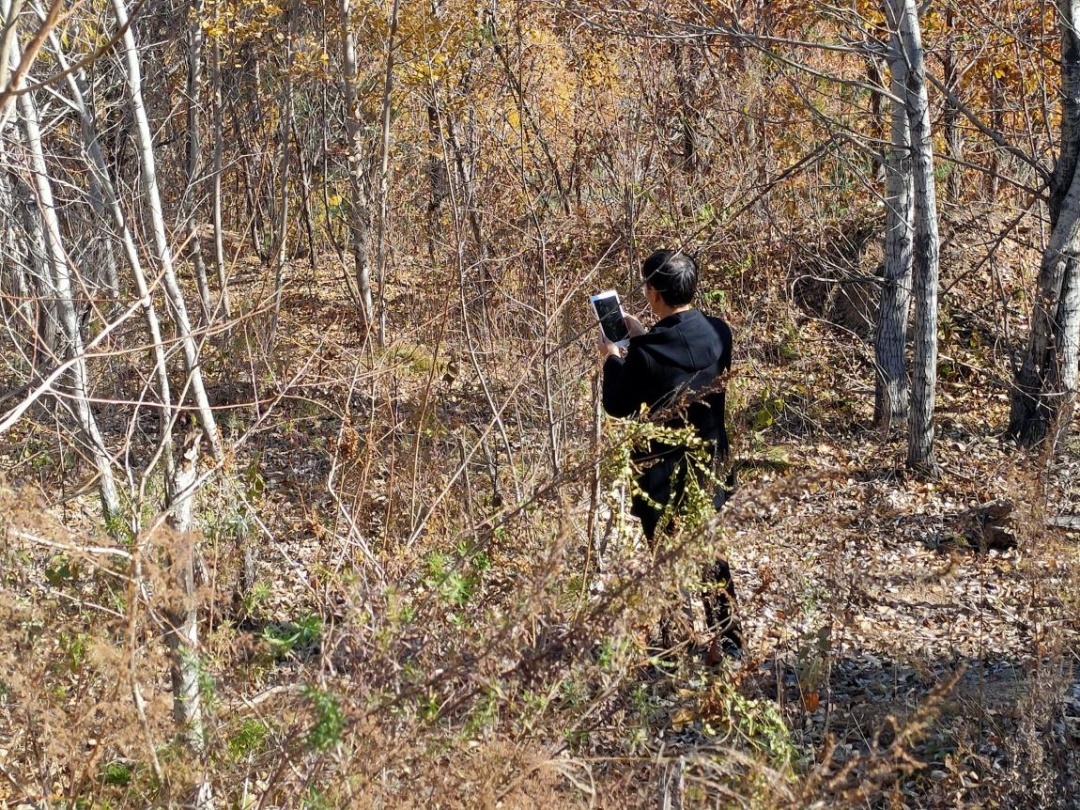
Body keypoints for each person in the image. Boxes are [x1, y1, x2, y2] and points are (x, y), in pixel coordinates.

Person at [598, 249, 742, 662]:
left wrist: (612, 358)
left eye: (647, 286)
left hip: (662, 471)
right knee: (711, 556)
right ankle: (728, 642)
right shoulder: (720, 333)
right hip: (710, 463)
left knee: (665, 557)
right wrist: (645, 336)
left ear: (656, 293)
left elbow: (618, 404)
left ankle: (677, 644)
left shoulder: (645, 355)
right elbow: (683, 362)